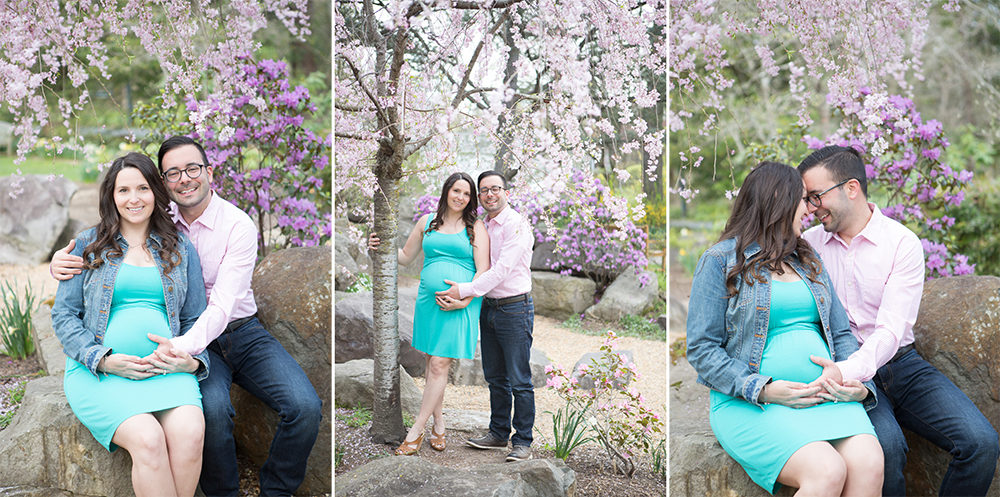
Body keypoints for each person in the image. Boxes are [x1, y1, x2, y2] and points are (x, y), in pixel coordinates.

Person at [51, 136, 322, 497]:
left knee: (303, 407)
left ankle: (276, 492)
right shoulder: (111, 238)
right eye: (173, 173)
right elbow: (66, 313)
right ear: (164, 183)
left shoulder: (220, 230)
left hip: (232, 333)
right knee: (207, 413)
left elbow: (216, 308)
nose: (184, 178)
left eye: (192, 169)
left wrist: (187, 358)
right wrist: (60, 264)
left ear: (209, 171)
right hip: (133, 362)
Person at [799, 145, 999, 496]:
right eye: (808, 199)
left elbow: (891, 330)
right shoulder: (808, 245)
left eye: (816, 196)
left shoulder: (901, 243)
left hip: (900, 365)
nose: (811, 208)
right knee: (886, 450)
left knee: (980, 443)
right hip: (839, 368)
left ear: (851, 188)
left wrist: (847, 370)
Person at [686, 161, 884, 496]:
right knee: (827, 470)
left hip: (827, 398)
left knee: (869, 464)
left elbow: (840, 335)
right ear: (779, 201)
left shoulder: (807, 258)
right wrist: (762, 389)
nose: (810, 208)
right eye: (803, 199)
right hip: (755, 405)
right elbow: (702, 349)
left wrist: (853, 380)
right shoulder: (720, 260)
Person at [51, 152, 209, 497]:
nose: (134, 198)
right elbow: (63, 316)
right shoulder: (88, 246)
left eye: (142, 188)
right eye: (124, 190)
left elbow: (196, 318)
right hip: (100, 374)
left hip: (167, 371)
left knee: (191, 433)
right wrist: (103, 359)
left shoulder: (181, 247)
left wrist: (192, 360)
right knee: (148, 439)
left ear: (156, 192)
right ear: (111, 196)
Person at [368, 172, 489, 455]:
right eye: (456, 191)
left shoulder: (476, 227)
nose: (460, 197)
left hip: (460, 303)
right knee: (431, 362)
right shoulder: (427, 222)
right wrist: (378, 246)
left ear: (471, 199)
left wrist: (466, 300)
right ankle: (439, 424)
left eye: (467, 194)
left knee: (439, 365)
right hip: (428, 302)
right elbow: (405, 256)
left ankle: (415, 431)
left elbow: (483, 271)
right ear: (447, 191)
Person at [436, 170, 535, 463]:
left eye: (495, 189)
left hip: (515, 307)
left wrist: (463, 290)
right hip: (488, 307)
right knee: (495, 377)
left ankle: (523, 441)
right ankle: (498, 433)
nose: (489, 195)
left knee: (520, 379)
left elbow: (501, 270)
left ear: (506, 192)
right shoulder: (482, 225)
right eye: (484, 191)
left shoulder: (516, 225)